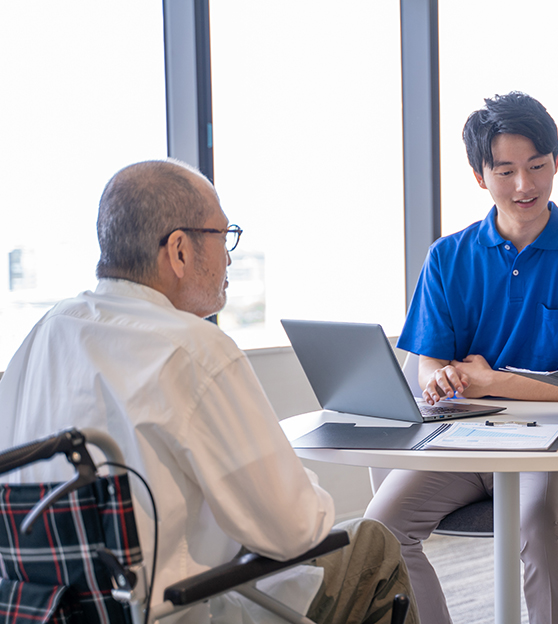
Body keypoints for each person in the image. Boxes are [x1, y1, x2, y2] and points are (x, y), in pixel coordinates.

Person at [0, 160, 419, 624]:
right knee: (370, 543)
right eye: (224, 236)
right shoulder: (193, 350)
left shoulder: (43, 334)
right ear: (179, 250)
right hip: (183, 610)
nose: (231, 257)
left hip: (53, 611)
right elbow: (295, 531)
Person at [364, 91, 558, 624]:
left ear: (556, 162)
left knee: (538, 524)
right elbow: (429, 363)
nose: (525, 185)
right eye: (506, 170)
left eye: (537, 166)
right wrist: (443, 378)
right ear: (479, 175)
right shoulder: (448, 257)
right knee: (381, 531)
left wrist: (490, 380)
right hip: (466, 441)